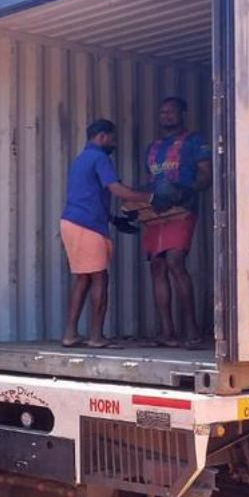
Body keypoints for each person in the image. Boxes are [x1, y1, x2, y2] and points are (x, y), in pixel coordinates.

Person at [60, 119, 153, 349]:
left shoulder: (80, 159)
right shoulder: (101, 158)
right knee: (100, 278)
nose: (114, 143)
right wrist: (149, 199)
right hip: (88, 225)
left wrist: (113, 220)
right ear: (101, 137)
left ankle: (70, 334)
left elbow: (87, 196)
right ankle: (96, 337)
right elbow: (116, 189)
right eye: (112, 138)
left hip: (72, 222)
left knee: (83, 278)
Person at [142, 97, 212, 350]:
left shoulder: (195, 141)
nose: (166, 115)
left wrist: (184, 192)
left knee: (175, 262)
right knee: (157, 266)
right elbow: (150, 181)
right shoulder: (153, 147)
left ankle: (191, 329)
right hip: (156, 213)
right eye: (162, 111)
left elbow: (206, 176)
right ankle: (167, 332)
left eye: (171, 111)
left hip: (182, 210)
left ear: (184, 113)